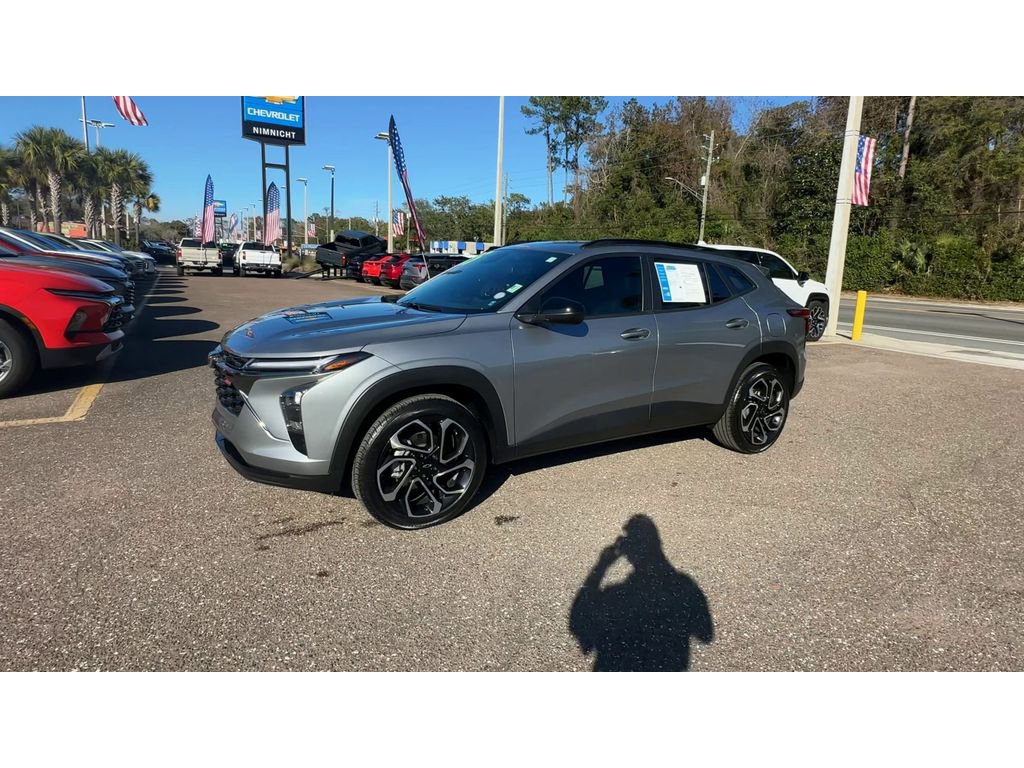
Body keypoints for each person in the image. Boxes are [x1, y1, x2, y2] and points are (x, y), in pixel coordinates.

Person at [569, 515, 714, 671]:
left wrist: (601, 566)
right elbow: (705, 634)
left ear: (628, 552)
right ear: (658, 545)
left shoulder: (617, 597)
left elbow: (578, 622)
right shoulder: (684, 588)